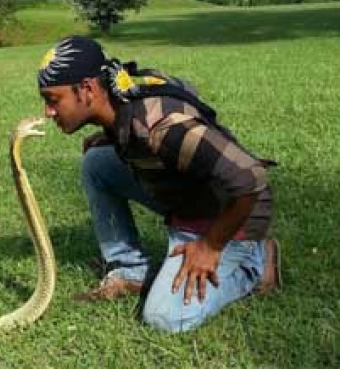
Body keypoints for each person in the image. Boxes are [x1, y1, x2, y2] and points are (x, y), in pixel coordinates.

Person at [37, 35, 281, 333]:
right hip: (188, 195)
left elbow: (250, 176)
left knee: (165, 318)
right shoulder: (122, 93)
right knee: (97, 163)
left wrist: (211, 245)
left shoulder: (165, 130)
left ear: (87, 89)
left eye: (52, 99)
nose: (48, 112)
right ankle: (130, 271)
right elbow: (176, 93)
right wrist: (113, 138)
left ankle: (254, 261)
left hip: (232, 214)